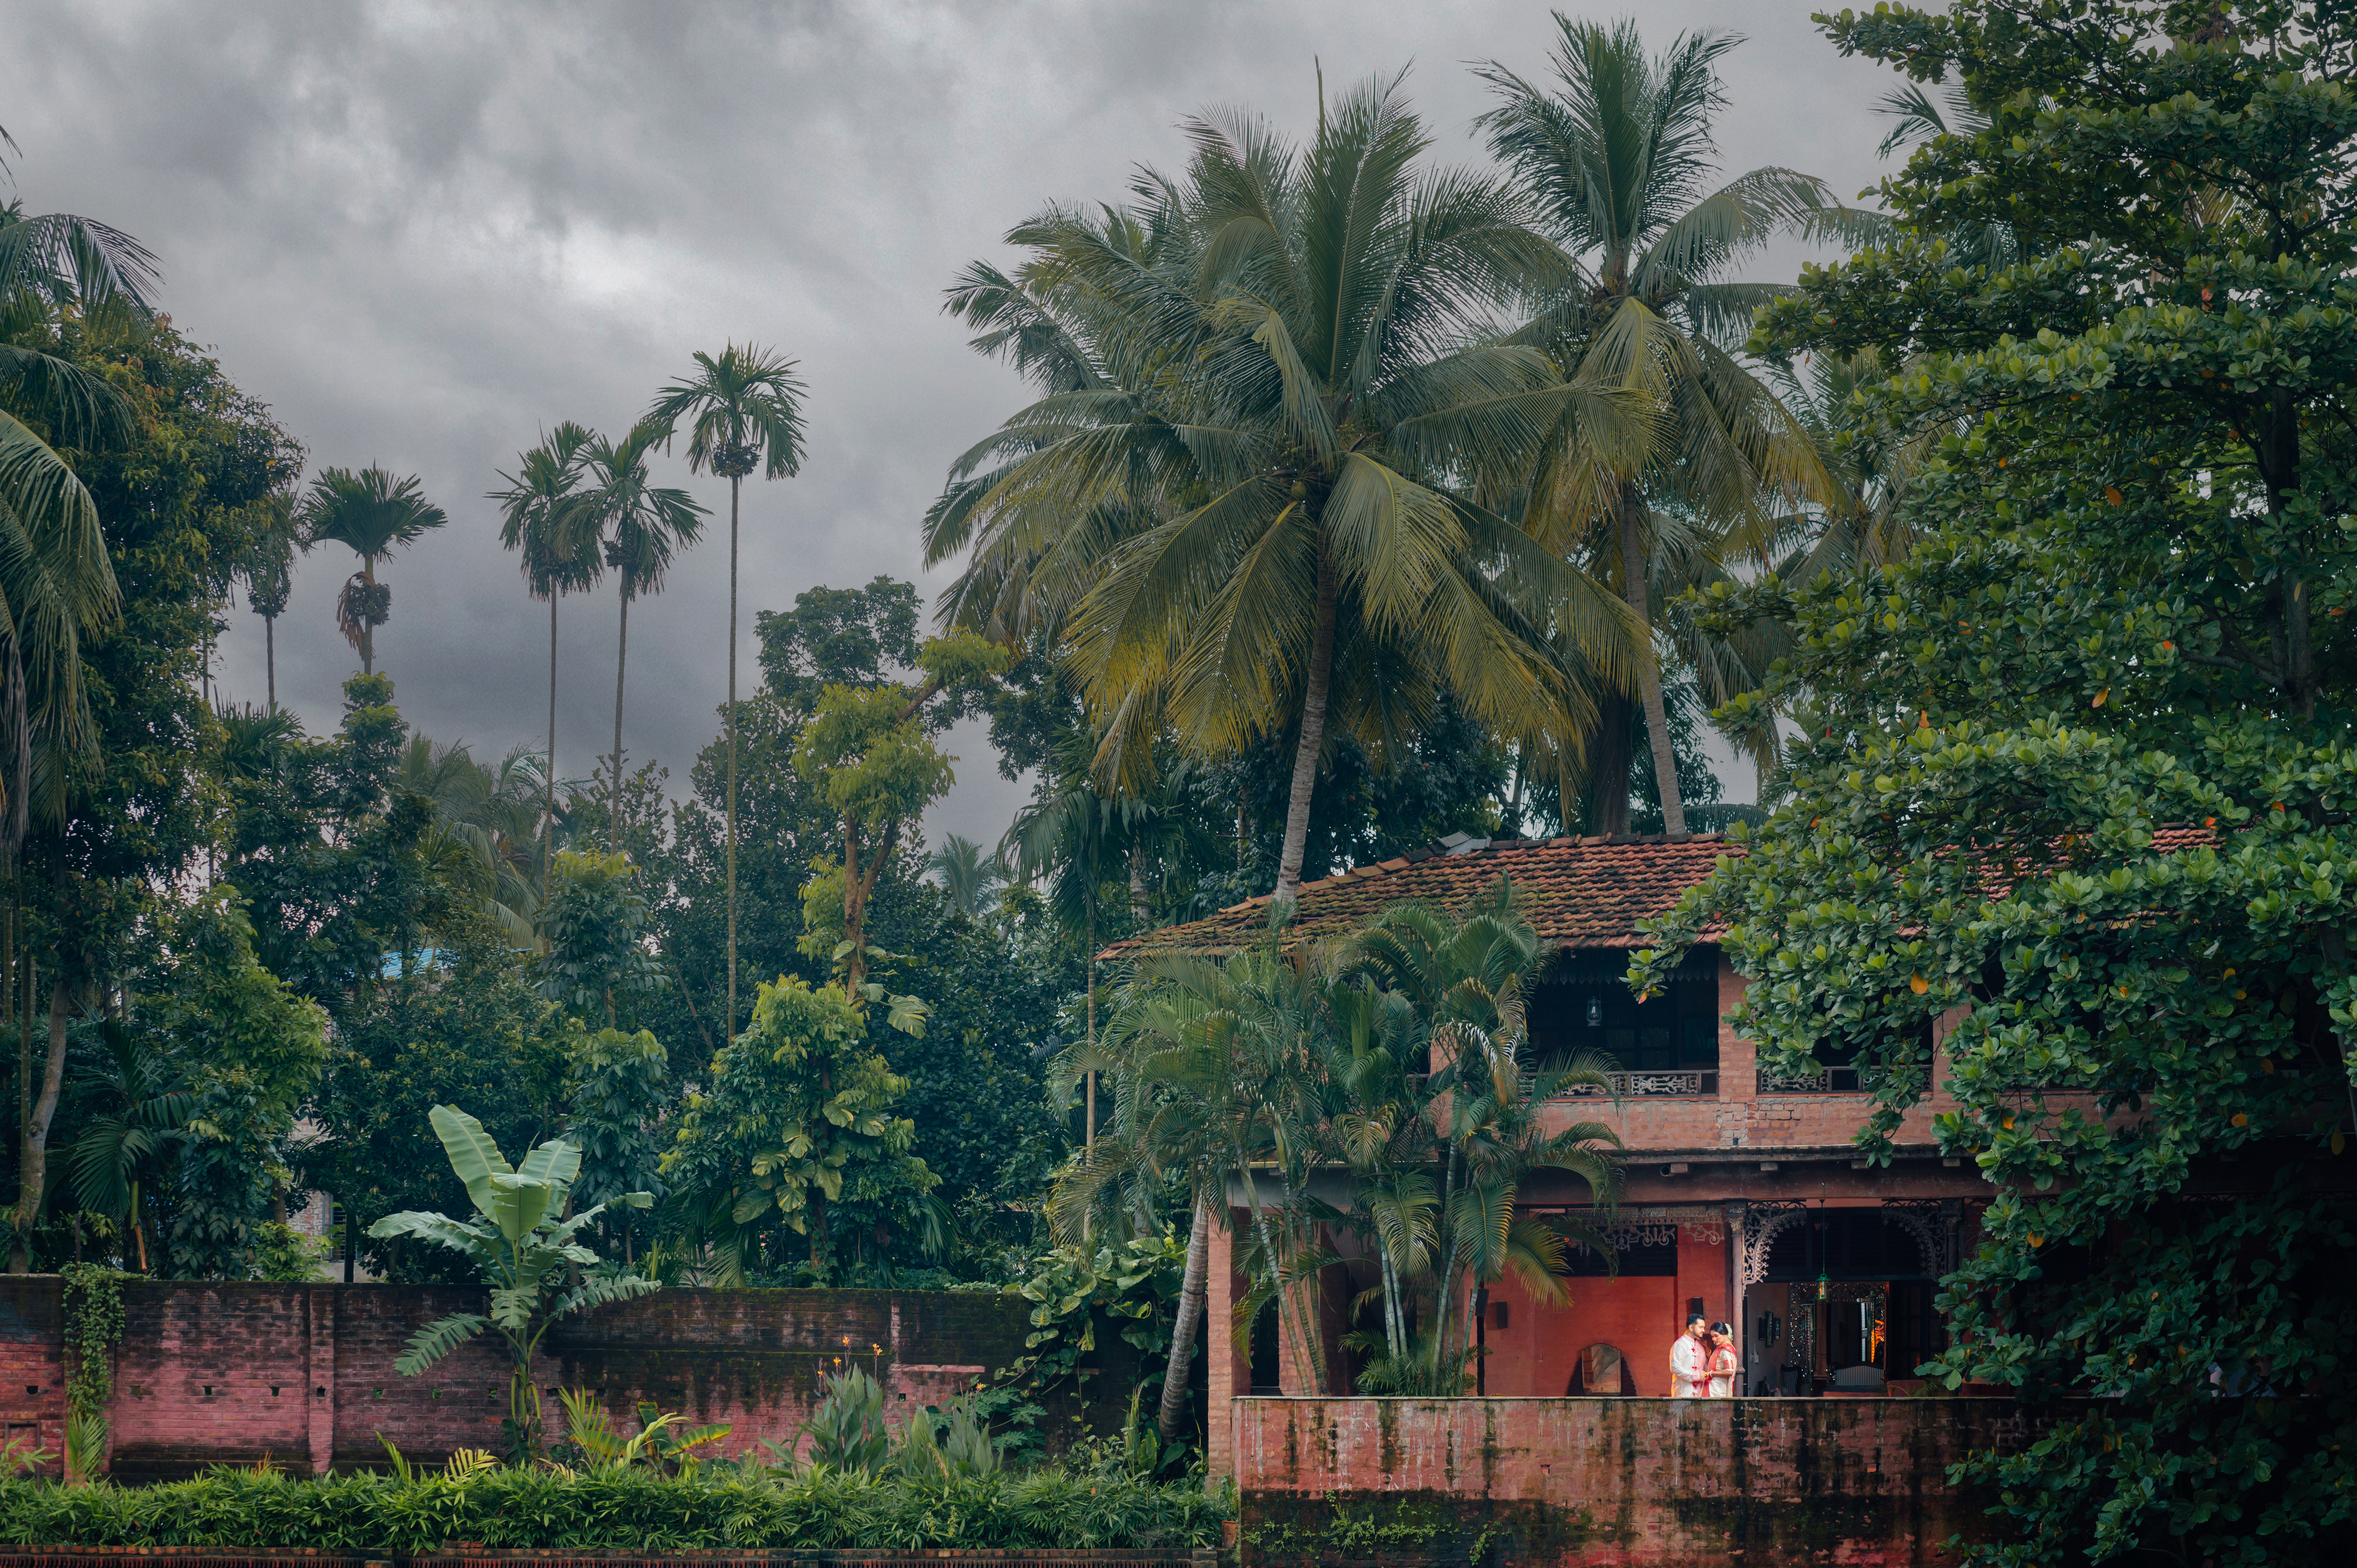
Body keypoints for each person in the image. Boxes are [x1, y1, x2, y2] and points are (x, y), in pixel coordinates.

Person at [1671, 1314, 1712, 1398]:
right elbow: (1675, 1367)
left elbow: (1705, 1365)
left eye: (1703, 1327)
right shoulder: (1680, 1345)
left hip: (1700, 1392)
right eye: (1701, 1327)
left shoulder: (1700, 1345)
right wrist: (1695, 1376)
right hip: (1684, 1393)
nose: (1703, 1330)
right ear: (1691, 1328)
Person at [1707, 1322, 1740, 1397]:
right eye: (1712, 1337)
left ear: (1725, 1334)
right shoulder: (1726, 1347)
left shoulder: (1726, 1350)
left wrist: (1711, 1374)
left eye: (1716, 1336)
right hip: (1718, 1388)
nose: (1714, 1339)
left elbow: (1730, 1371)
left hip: (1718, 1390)